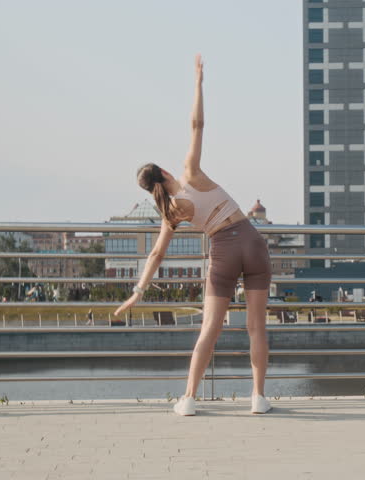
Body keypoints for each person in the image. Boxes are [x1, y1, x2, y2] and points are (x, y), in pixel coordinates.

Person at [114, 55, 272, 416]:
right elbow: (197, 125)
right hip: (251, 240)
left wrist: (137, 292)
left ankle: (188, 399)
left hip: (223, 250)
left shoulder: (170, 213)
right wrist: (199, 82)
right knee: (255, 327)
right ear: (166, 171)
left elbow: (154, 255)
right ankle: (258, 398)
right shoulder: (190, 173)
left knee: (210, 328)